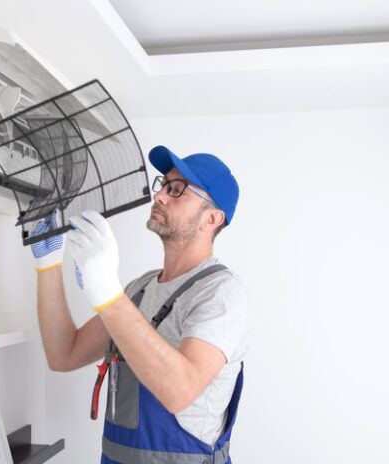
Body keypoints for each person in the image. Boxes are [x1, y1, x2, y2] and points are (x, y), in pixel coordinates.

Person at [31, 145, 249, 464]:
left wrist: (106, 291)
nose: (159, 196)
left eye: (177, 190)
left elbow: (179, 391)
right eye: (164, 185)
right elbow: (63, 355)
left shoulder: (221, 292)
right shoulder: (140, 289)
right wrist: (47, 265)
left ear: (212, 218)